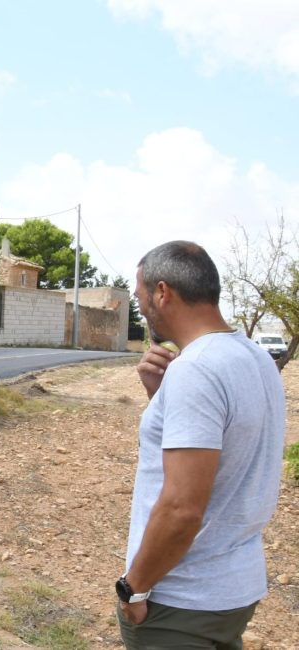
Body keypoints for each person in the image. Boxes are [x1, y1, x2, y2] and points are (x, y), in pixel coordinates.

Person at [117, 241, 284, 649]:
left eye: (141, 301)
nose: (142, 311)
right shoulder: (255, 358)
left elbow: (182, 508)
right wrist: (162, 398)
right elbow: (228, 453)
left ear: (162, 292)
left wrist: (134, 588)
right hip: (232, 591)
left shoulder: (196, 369)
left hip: (182, 600)